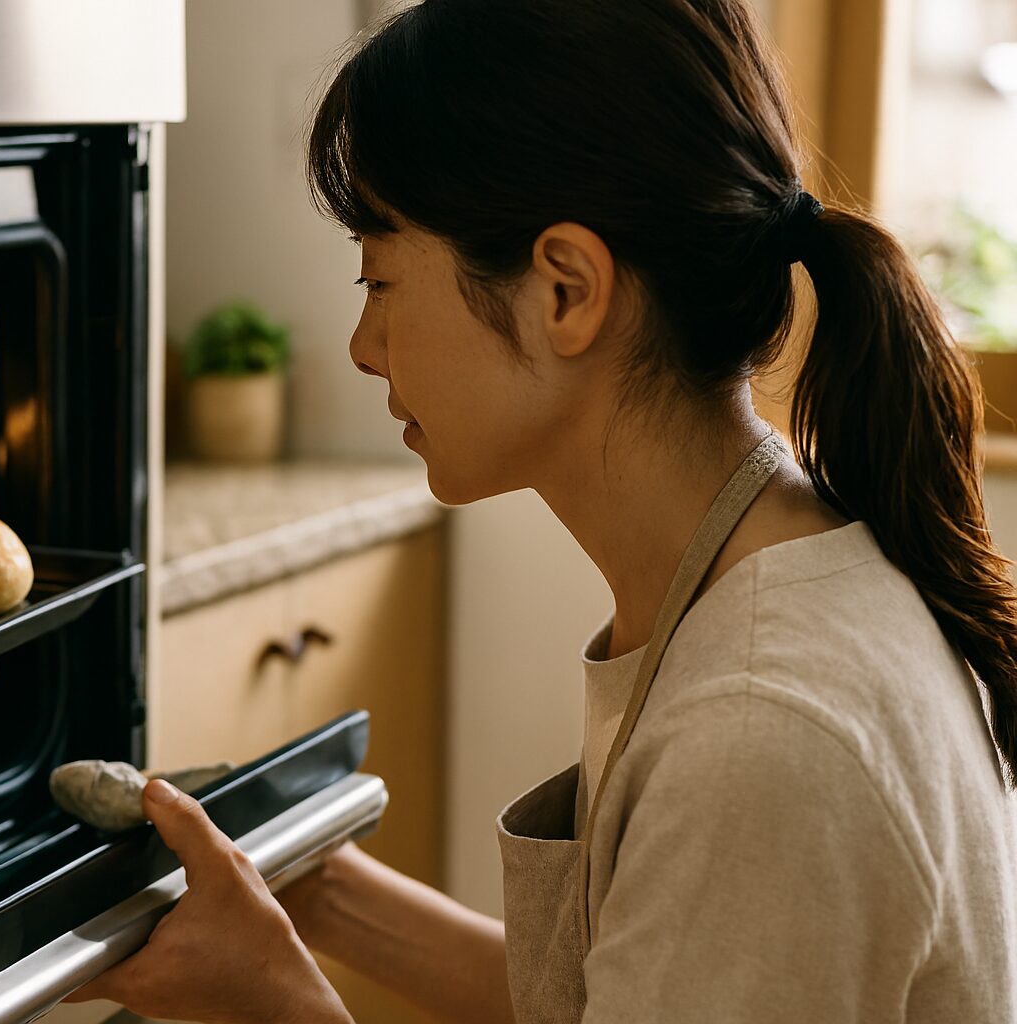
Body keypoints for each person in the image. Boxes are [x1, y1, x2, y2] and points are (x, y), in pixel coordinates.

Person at [69, 1, 1017, 1020]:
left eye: (378, 277)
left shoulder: (762, 732)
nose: (362, 342)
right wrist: (318, 889)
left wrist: (268, 999)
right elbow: (636, 983)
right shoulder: (764, 567)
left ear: (566, 289)